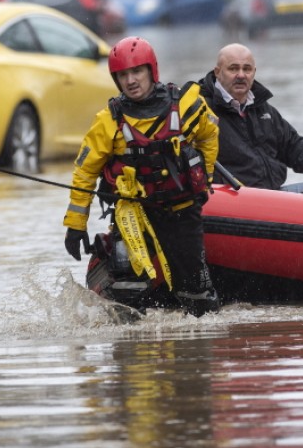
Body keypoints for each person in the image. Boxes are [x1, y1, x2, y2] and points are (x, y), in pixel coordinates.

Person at [63, 36, 221, 317]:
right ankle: (131, 350)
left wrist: (205, 179)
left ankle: (196, 350)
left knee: (196, 290)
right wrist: (76, 225)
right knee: (126, 288)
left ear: (152, 70)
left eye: (137, 71)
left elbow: (210, 135)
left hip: (181, 211)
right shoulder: (107, 121)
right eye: (123, 75)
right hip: (132, 215)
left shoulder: (186, 106)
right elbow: (85, 172)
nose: (131, 80)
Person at [198, 43, 303, 196]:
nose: (241, 75)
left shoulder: (263, 110)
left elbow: (294, 146)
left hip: (271, 197)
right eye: (233, 68)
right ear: (218, 72)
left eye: (246, 69)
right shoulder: (201, 109)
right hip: (229, 199)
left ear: (254, 72)